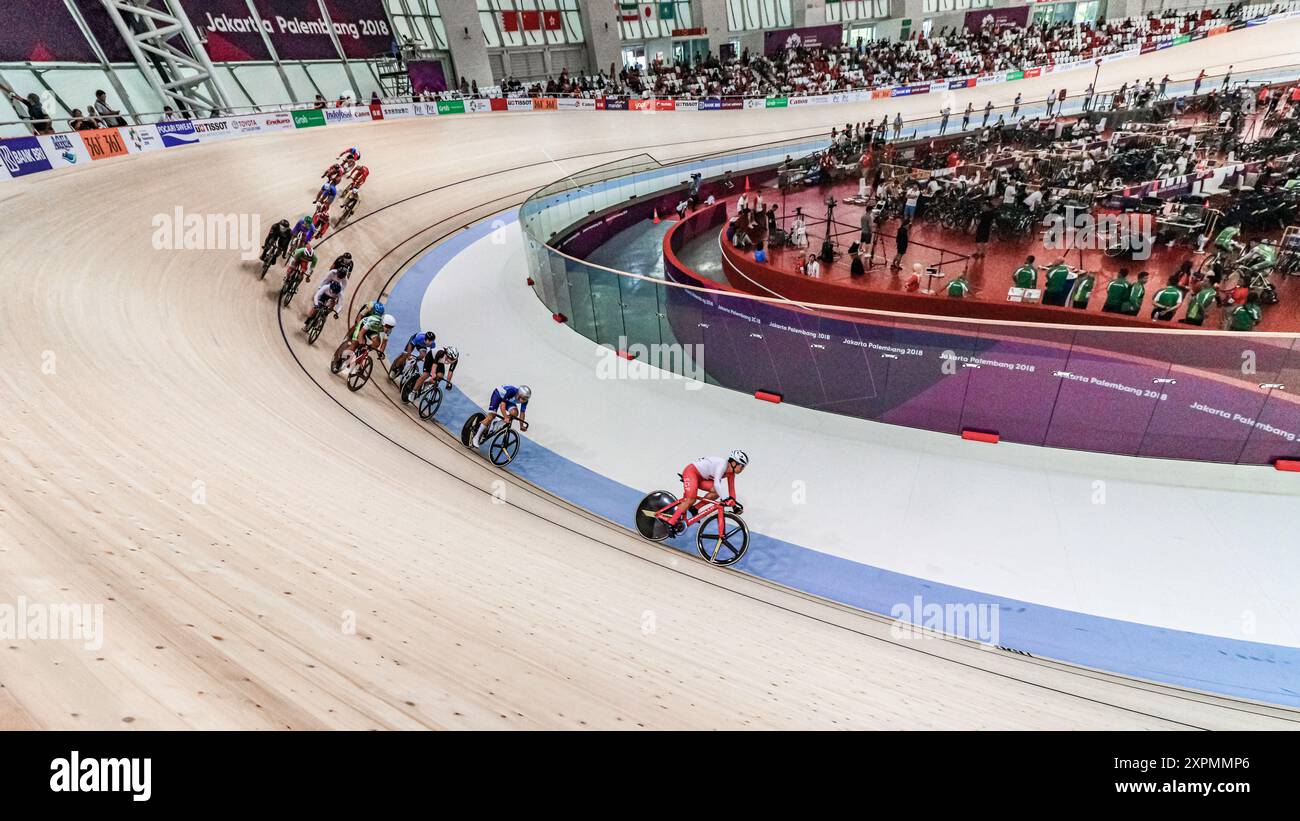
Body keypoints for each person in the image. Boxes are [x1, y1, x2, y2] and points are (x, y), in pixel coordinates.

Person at [664, 451, 749, 534]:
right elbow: (717, 484)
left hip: (702, 478)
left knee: (716, 492)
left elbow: (731, 490)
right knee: (691, 499)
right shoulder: (722, 464)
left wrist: (734, 507)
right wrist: (725, 499)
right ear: (734, 463)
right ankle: (670, 523)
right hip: (691, 472)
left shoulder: (731, 473)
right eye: (742, 466)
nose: (742, 469)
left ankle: (695, 508)